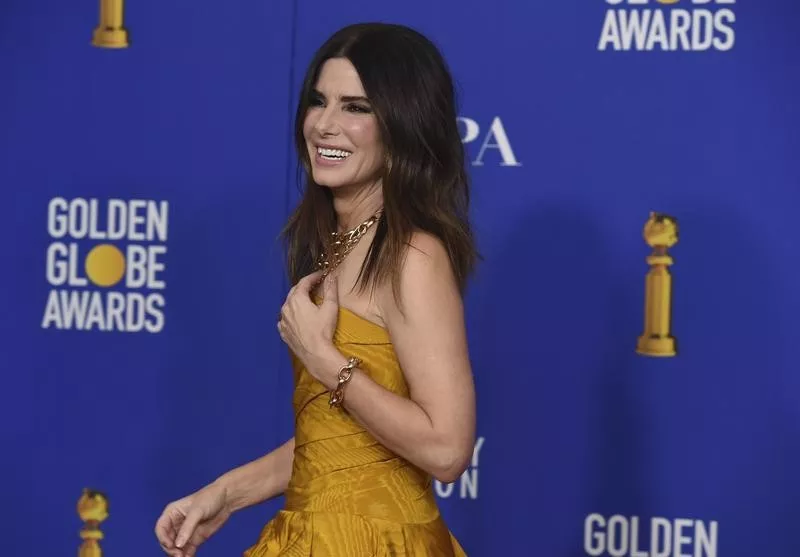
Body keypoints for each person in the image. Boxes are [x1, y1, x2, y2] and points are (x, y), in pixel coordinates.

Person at [155, 22, 478, 556]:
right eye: (318, 102)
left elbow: (446, 449)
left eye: (356, 108)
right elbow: (339, 443)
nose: (325, 125)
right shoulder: (332, 245)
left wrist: (323, 360)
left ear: (404, 124)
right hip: (310, 535)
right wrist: (226, 494)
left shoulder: (413, 255)